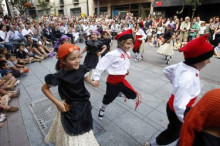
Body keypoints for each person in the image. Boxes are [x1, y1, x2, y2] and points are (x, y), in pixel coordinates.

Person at [145, 34, 214, 146]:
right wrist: (188, 121)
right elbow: (179, 106)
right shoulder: (188, 78)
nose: (209, 62)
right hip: (178, 111)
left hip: (173, 105)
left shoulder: (184, 65)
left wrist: (176, 83)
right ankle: (153, 144)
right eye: (207, 58)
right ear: (197, 59)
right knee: (174, 132)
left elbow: (166, 70)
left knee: (173, 129)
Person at [41, 43, 99, 146]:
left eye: (79, 57)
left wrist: (92, 82)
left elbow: (84, 76)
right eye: (73, 59)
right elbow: (44, 88)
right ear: (63, 61)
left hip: (84, 105)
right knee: (72, 133)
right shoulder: (59, 76)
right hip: (70, 108)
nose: (77, 61)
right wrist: (57, 103)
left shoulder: (81, 68)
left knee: (84, 128)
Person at [93, 29, 142, 120]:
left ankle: (118, 93)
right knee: (108, 99)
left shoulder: (127, 53)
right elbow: (101, 65)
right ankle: (102, 108)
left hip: (122, 79)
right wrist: (96, 78)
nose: (129, 46)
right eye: (127, 43)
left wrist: (126, 70)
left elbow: (125, 62)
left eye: (131, 43)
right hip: (113, 81)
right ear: (120, 43)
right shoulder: (113, 54)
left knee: (133, 95)